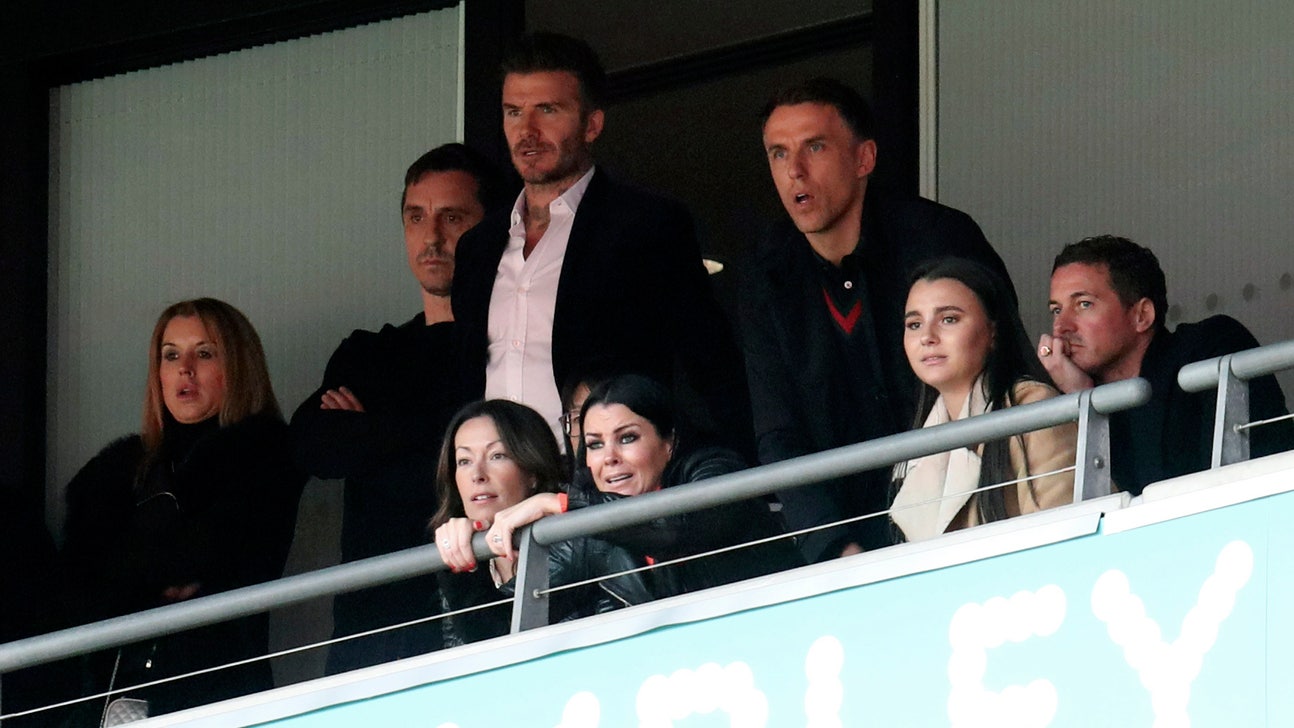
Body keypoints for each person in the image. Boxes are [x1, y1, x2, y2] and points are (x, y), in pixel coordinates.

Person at [743, 77, 1018, 563]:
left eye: (815, 147)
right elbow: (778, 435)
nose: (795, 171)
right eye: (778, 154)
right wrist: (834, 548)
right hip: (847, 545)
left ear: (864, 158)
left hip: (967, 519)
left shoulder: (937, 237)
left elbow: (1002, 370)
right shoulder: (766, 275)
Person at [452, 32, 750, 454]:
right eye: (514, 112)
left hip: (601, 484)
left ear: (592, 124)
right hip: (498, 489)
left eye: (548, 110)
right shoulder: (477, 247)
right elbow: (465, 381)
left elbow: (707, 366)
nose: (527, 130)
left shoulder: (647, 226)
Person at [289, 143, 504, 673]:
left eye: (452, 217)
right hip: (372, 628)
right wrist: (447, 431)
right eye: (416, 217)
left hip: (486, 618)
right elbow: (311, 446)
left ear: (492, 225)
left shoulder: (511, 347)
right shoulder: (368, 351)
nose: (431, 237)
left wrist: (370, 431)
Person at [59, 298, 304, 719]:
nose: (185, 369)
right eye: (171, 355)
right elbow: (74, 588)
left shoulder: (264, 453)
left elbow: (207, 555)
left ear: (237, 366)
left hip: (218, 689)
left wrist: (128, 575)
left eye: (204, 353)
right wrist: (148, 576)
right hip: (116, 695)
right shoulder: (116, 474)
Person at [480, 375, 803, 600]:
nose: (609, 458)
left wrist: (561, 504)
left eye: (627, 438)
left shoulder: (714, 468)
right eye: (594, 444)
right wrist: (461, 553)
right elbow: (495, 628)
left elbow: (674, 529)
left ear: (669, 443)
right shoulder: (588, 525)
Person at [1037, 235, 1293, 495]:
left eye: (1084, 304)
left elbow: (1173, 492)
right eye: (1056, 310)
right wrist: (1083, 398)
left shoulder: (1212, 345)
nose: (1061, 327)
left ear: (1142, 315)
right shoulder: (1065, 396)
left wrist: (1088, 399)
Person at [430, 399, 650, 646]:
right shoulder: (465, 554)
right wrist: (457, 556)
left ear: (532, 472)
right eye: (464, 461)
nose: (477, 475)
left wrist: (459, 574)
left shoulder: (571, 536)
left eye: (497, 455)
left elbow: (501, 642)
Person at [890, 259, 1076, 541]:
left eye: (948, 319)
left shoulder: (1032, 407)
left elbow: (1062, 540)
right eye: (914, 324)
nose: (927, 337)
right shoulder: (916, 447)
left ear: (993, 332)